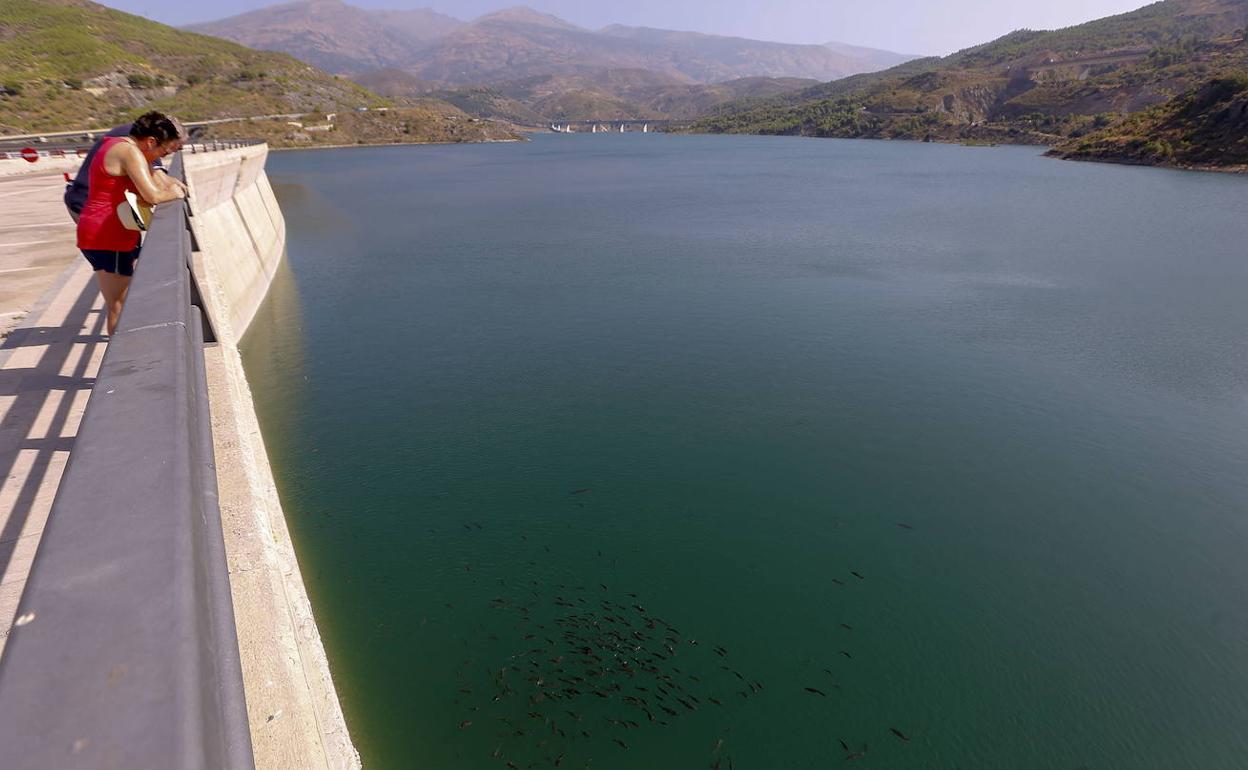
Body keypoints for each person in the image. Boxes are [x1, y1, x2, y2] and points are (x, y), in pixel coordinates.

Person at [76, 111, 188, 335]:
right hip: (108, 236)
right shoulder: (130, 152)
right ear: (150, 141)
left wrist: (168, 184)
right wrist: (176, 192)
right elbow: (154, 195)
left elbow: (156, 180)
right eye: (163, 151)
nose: (162, 157)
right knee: (120, 307)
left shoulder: (119, 145)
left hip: (106, 233)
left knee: (122, 303)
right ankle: (121, 366)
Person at [64, 122, 173, 222]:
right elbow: (155, 192)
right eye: (167, 150)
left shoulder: (137, 135)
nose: (171, 151)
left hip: (90, 202)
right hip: (87, 206)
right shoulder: (136, 146)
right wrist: (176, 192)